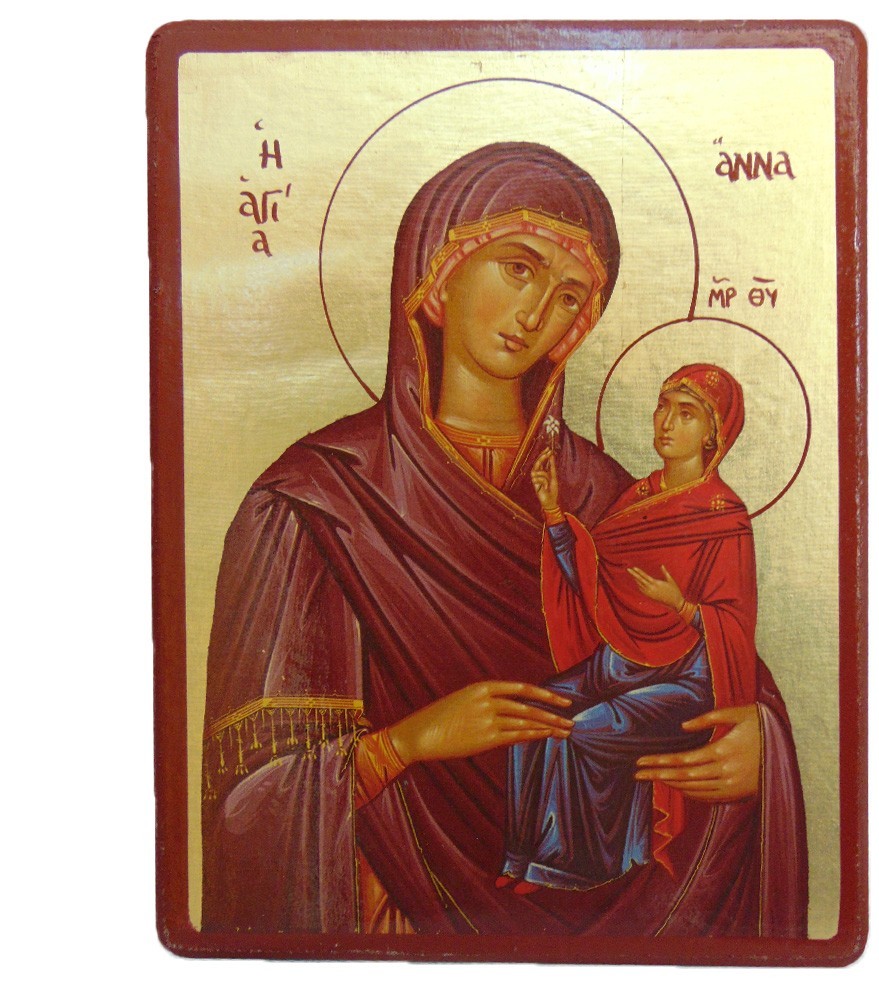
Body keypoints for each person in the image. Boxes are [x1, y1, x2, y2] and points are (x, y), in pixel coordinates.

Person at [201, 142, 807, 938]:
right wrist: (412, 743)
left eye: (567, 297)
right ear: (437, 273)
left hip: (621, 921)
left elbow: (710, 662)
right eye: (518, 268)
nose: (535, 314)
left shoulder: (613, 500)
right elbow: (248, 803)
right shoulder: (314, 504)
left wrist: (759, 748)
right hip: (397, 921)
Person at [500, 365, 757, 893]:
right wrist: (554, 513)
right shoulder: (638, 499)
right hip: (617, 664)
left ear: (713, 435)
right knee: (532, 714)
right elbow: (595, 585)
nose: (666, 422)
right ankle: (520, 859)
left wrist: (680, 606)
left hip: (683, 682)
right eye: (663, 407)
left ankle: (566, 869)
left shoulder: (723, 516)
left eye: (686, 414)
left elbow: (734, 622)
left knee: (582, 730)